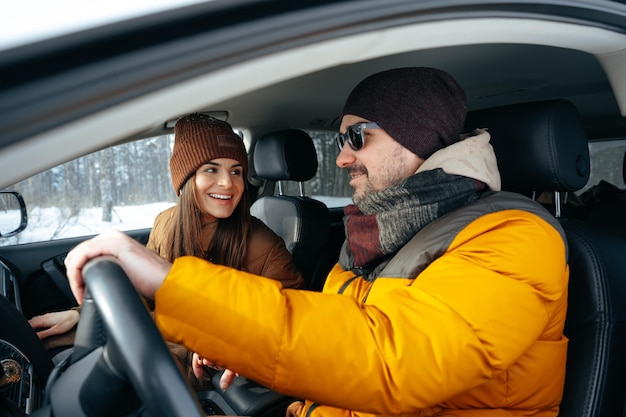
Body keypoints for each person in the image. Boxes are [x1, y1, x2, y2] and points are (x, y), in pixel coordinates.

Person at [65, 67, 569, 416]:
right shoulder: (377, 232)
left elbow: (391, 359)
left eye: (358, 137)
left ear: (415, 134)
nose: (343, 159)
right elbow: (332, 336)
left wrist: (174, 286)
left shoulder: (515, 236)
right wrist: (232, 346)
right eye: (339, 142)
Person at [31, 113, 305, 390]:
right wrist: (82, 314)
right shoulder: (166, 222)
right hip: (152, 341)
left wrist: (223, 347)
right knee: (48, 357)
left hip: (200, 370)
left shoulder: (264, 245)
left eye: (236, 171)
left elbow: (289, 326)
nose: (227, 182)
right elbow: (142, 293)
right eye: (211, 169)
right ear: (186, 179)